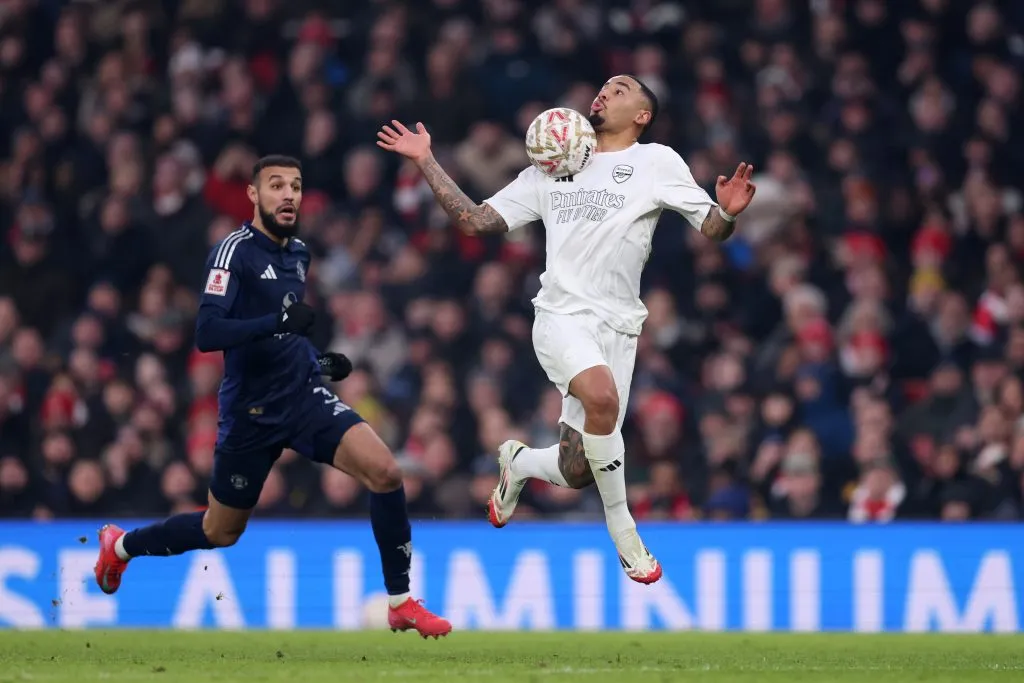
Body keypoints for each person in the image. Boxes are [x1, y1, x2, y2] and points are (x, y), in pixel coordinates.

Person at [378, 76, 756, 583]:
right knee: (602, 401)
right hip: (560, 317)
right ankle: (625, 533)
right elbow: (474, 221)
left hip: (619, 328)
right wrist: (426, 159)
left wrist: (728, 214)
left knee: (577, 469)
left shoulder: (656, 162)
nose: (604, 92)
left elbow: (710, 228)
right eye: (603, 87)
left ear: (643, 115)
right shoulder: (552, 162)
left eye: (620, 89)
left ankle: (520, 463)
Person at [93, 155, 452, 638]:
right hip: (250, 414)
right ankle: (120, 547)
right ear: (253, 195)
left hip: (302, 397)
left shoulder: (299, 253)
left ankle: (400, 601)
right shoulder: (233, 251)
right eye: (277, 185)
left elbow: (288, 336)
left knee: (386, 473)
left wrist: (319, 364)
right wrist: (277, 323)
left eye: (296, 187)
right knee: (219, 532)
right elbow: (207, 331)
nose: (288, 195)